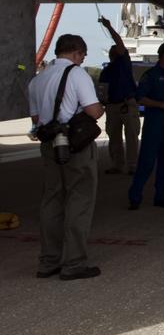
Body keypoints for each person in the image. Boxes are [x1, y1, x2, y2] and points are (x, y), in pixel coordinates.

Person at [28, 34, 104, 279]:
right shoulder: (77, 74)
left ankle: (48, 261)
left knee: (51, 200)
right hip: (76, 144)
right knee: (79, 200)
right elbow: (93, 111)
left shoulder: (37, 81)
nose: (82, 60)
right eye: (83, 55)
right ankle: (73, 263)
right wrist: (100, 107)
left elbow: (37, 120)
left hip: (50, 144)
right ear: (76, 52)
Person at [128, 42, 164, 209]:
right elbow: (140, 98)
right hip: (155, 122)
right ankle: (135, 197)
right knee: (147, 161)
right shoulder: (151, 75)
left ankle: (161, 197)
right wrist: (161, 105)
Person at [98, 17, 139, 174]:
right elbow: (102, 90)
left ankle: (131, 165)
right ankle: (119, 164)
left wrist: (109, 27)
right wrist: (103, 100)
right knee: (115, 137)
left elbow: (119, 42)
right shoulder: (107, 70)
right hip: (114, 106)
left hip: (126, 104)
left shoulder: (123, 62)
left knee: (130, 136)